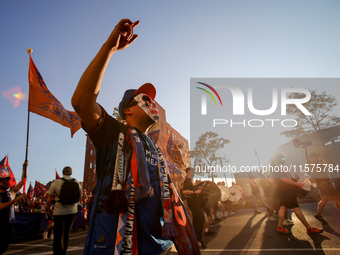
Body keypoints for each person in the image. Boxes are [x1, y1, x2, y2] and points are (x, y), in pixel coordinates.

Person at [72, 19, 200, 255]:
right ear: (128, 110)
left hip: (157, 245)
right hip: (114, 244)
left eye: (152, 100)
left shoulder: (153, 148)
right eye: (145, 100)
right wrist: (109, 48)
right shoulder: (114, 133)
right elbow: (81, 101)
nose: (152, 104)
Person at [270, 152, 323, 235]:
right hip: (286, 191)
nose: (283, 159)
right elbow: (282, 178)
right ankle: (309, 228)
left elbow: (284, 178)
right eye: (282, 158)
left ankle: (279, 227)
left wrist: (295, 181)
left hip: (282, 191)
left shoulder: (276, 167)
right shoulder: (276, 167)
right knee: (296, 209)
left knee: (283, 207)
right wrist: (296, 184)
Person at [46, 166, 82, 255]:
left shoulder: (57, 182)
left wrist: (49, 208)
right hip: (72, 211)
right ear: (71, 173)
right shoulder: (76, 182)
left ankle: (58, 253)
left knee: (58, 234)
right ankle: (64, 251)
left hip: (59, 211)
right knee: (67, 233)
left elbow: (48, 199)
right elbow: (80, 198)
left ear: (63, 173)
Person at [303, 148, 340, 224]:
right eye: (317, 156)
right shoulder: (314, 163)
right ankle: (319, 214)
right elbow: (328, 168)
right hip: (326, 183)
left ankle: (319, 214)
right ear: (314, 157)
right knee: (336, 198)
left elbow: (328, 168)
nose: (318, 157)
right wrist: (323, 160)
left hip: (320, 184)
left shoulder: (314, 164)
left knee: (325, 199)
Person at [0, 161, 27, 255]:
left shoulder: (11, 192)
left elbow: (22, 182)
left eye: (7, 180)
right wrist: (17, 199)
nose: (6, 183)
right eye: (3, 181)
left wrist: (24, 169)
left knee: (4, 245)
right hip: (1, 224)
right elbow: (1, 206)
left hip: (9, 224)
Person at [182, 167, 207, 249]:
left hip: (195, 202)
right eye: (193, 171)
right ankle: (198, 239)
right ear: (189, 172)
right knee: (201, 218)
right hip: (192, 203)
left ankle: (197, 240)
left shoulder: (191, 181)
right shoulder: (187, 181)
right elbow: (184, 191)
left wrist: (197, 188)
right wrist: (195, 191)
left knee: (197, 220)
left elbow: (191, 191)